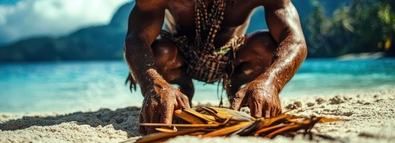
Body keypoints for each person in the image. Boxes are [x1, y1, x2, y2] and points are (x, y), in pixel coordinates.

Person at [123, 0, 307, 135]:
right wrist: (150, 80)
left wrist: (270, 82)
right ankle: (182, 87)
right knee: (158, 53)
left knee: (266, 47)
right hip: (179, 57)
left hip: (232, 58)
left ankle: (237, 87)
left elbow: (295, 40)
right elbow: (136, 38)